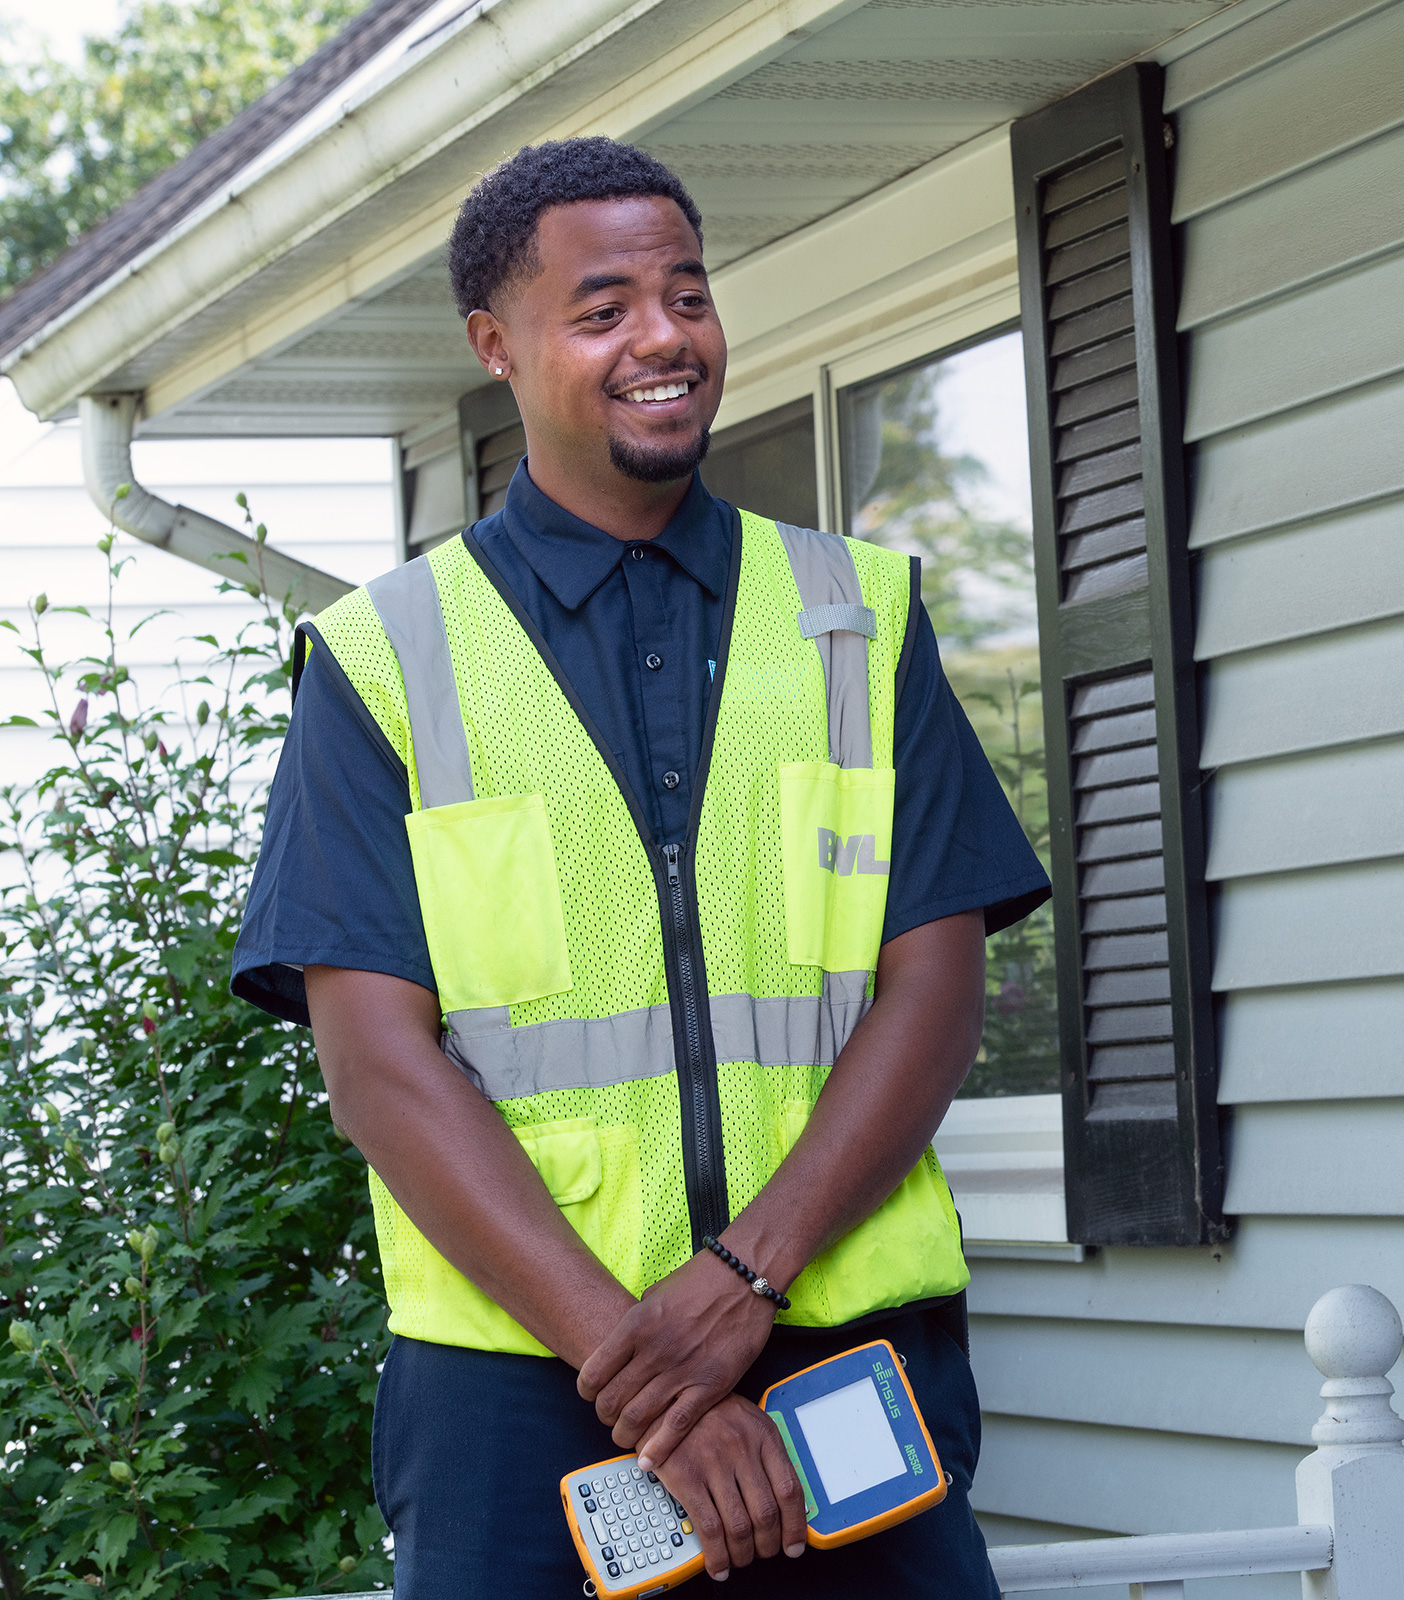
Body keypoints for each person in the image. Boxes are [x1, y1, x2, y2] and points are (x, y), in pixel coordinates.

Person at [230, 137, 1047, 1599]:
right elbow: (381, 1072)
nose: (663, 337)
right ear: (498, 345)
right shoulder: (385, 662)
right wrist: (645, 1369)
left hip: (840, 1356)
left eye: (688, 293)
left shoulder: (859, 617)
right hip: (522, 1389)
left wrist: (741, 1285)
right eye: (603, 308)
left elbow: (932, 992)